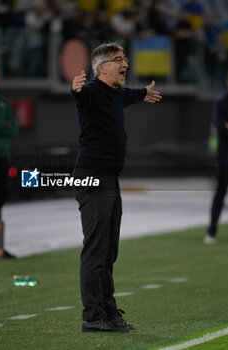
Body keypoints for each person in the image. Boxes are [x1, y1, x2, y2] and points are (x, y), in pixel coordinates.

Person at [71, 42, 162, 332]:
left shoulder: (116, 93)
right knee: (97, 249)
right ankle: (92, 316)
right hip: (93, 177)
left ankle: (108, 312)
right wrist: (75, 89)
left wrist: (143, 93)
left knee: (109, 251)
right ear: (102, 67)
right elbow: (81, 96)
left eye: (125, 58)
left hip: (109, 179)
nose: (125, 63)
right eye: (118, 59)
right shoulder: (93, 91)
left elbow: (128, 94)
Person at [0, 67, 18, 258]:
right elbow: (5, 126)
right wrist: (2, 125)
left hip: (2, 156)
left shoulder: (2, 102)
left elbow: (13, 129)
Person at [205, 72, 228, 244]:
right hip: (225, 157)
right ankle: (212, 230)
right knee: (220, 192)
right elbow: (222, 131)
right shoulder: (221, 102)